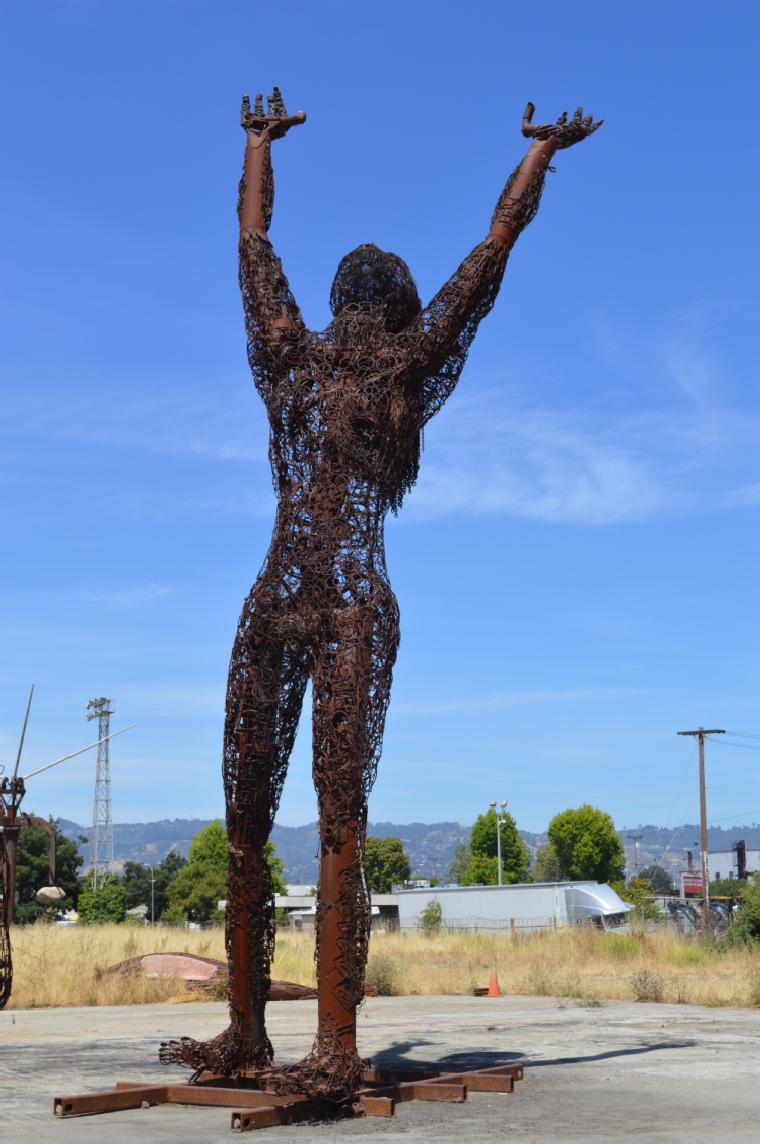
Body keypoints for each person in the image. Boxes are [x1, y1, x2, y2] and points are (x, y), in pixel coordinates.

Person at [161, 89, 601, 1098]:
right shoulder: (407, 364)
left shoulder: (288, 362)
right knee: (337, 822)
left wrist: (257, 145)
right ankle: (326, 1038)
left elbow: (252, 246)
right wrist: (537, 154)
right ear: (399, 306)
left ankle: (249, 1032)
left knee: (245, 821)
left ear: (337, 298)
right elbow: (491, 253)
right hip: (351, 606)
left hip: (273, 597)